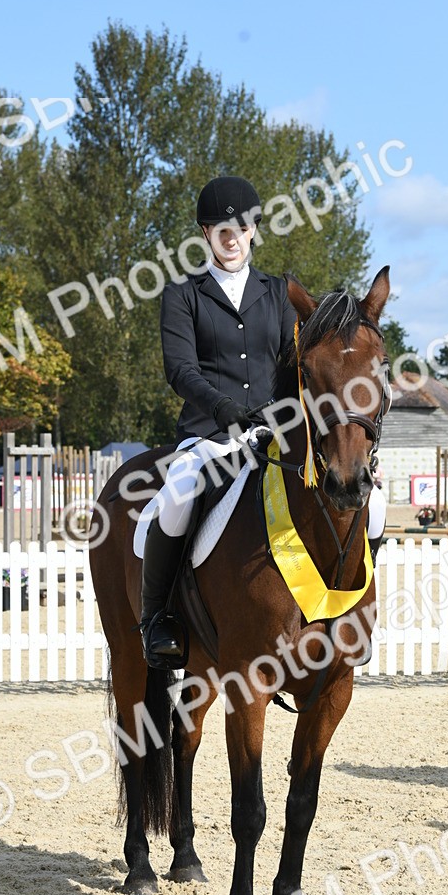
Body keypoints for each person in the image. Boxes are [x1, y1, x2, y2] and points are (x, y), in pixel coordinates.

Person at [140, 175, 296, 663]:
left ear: (253, 230)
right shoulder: (183, 294)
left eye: (241, 227)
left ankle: (346, 611)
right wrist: (221, 407)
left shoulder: (280, 293)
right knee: (178, 496)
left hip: (275, 435)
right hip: (209, 437)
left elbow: (295, 364)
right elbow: (180, 369)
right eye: (220, 229)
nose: (232, 237)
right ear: (205, 233)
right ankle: (157, 618)